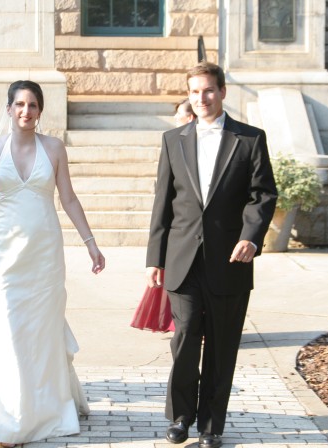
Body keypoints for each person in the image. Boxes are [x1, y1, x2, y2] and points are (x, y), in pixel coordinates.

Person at [0, 80, 105, 447]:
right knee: (8, 325)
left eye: (33, 105)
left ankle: (46, 407)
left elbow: (68, 198)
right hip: (5, 251)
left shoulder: (54, 148)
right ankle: (7, 414)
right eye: (20, 104)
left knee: (42, 327)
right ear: (9, 108)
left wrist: (90, 244)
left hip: (44, 252)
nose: (26, 111)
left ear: (40, 111)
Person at [145, 62, 277, 448]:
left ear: (222, 92)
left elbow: (263, 195)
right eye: (194, 91)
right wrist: (155, 257)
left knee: (222, 345)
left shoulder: (249, 139)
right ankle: (181, 416)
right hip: (182, 258)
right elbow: (163, 202)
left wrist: (251, 237)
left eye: (208, 90)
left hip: (231, 260)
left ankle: (211, 426)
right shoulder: (173, 140)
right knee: (186, 336)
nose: (201, 98)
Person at [131, 98, 197, 333]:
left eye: (179, 115)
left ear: (190, 117)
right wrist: (154, 259)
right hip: (177, 231)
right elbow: (164, 197)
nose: (175, 120)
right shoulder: (172, 142)